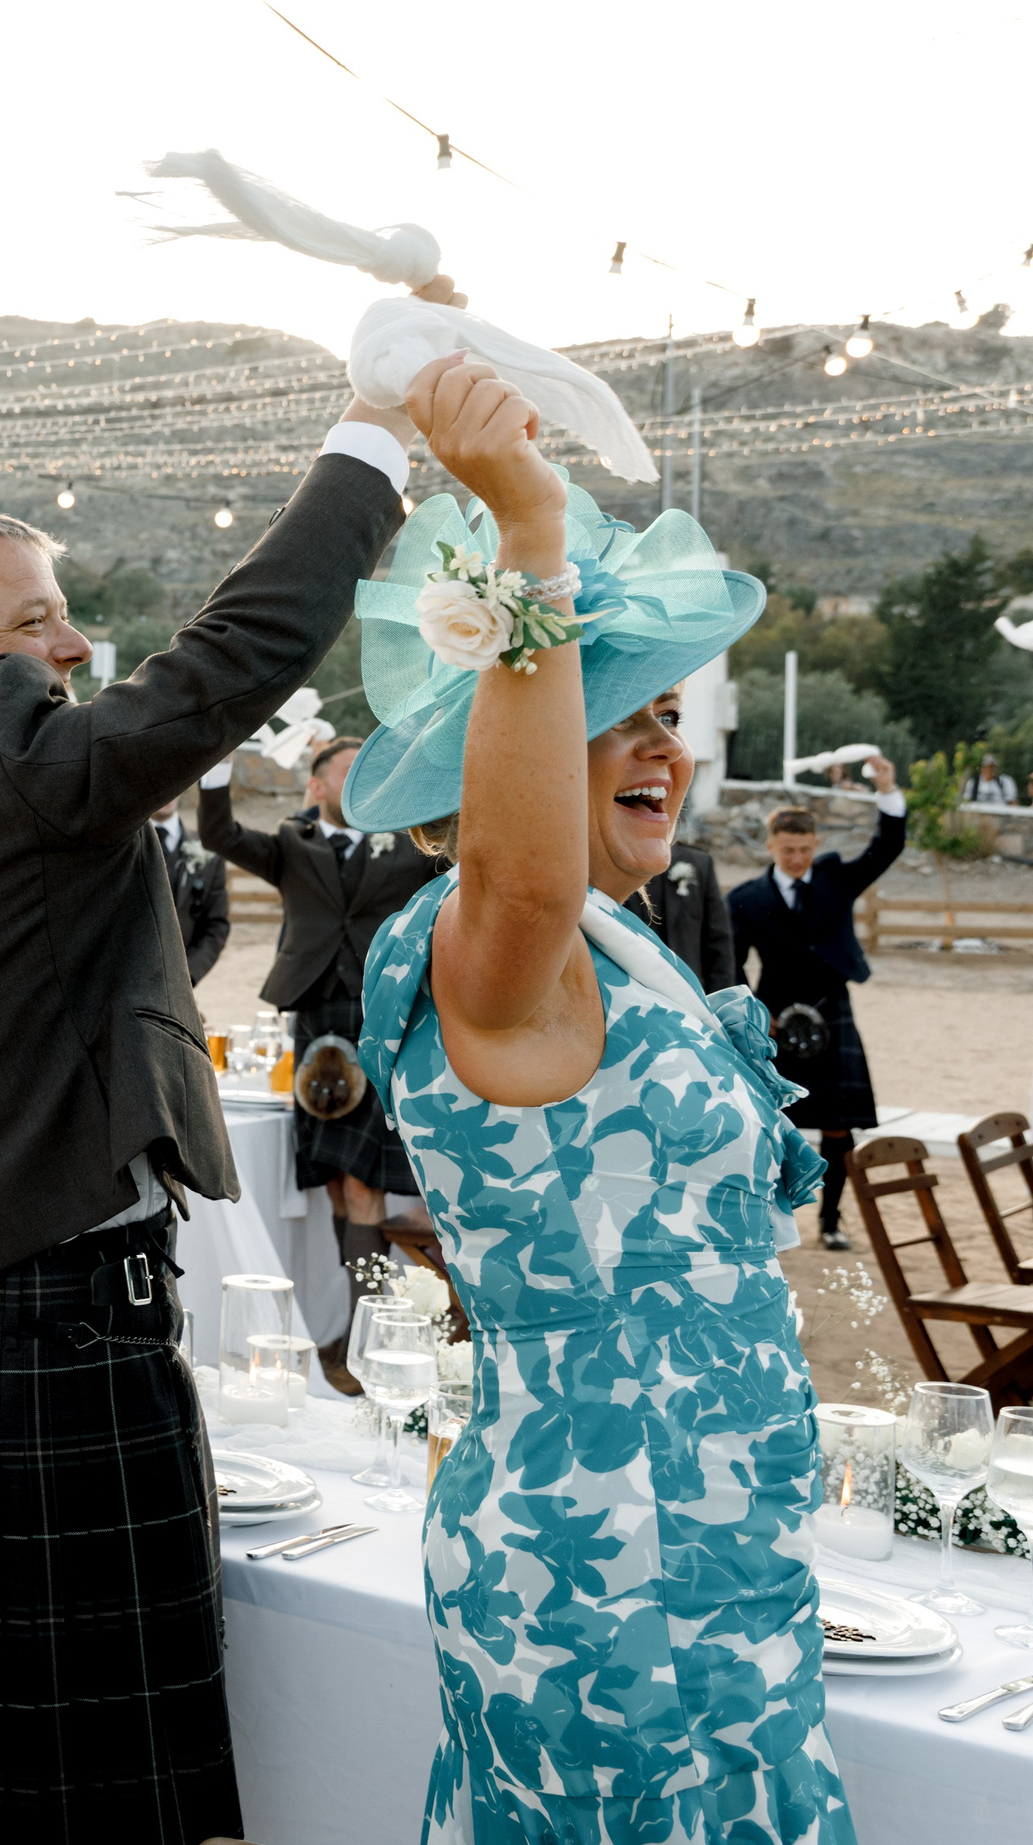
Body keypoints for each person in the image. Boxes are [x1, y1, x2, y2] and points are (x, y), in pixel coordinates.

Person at [0, 338, 441, 1840]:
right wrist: (374, 439)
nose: (73, 649)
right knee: (88, 1799)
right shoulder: (1, 757)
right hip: (56, 1344)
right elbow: (227, 664)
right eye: (41, 622)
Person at [348, 359, 851, 1845]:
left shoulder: (629, 942)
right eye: (614, 708)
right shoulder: (490, 935)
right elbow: (521, 872)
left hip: (705, 1551)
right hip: (612, 1573)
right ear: (497, 748)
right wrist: (529, 532)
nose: (663, 744)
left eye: (669, 713)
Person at [198, 732, 436, 1369]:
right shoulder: (292, 844)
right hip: (312, 1024)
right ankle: (360, 1332)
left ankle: (365, 1347)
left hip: (380, 1020)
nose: (365, 779)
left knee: (362, 1183)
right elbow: (219, 834)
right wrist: (218, 763)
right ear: (317, 784)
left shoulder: (412, 845)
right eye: (351, 769)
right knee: (335, 1184)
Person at [727, 777, 905, 1251]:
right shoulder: (746, 897)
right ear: (770, 846)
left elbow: (886, 847)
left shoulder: (837, 880)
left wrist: (887, 792)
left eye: (805, 848)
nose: (797, 858)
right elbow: (731, 961)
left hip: (833, 1010)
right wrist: (756, 1013)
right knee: (767, 1122)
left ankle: (831, 1221)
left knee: (838, 1124)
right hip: (776, 1018)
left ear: (816, 844)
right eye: (788, 850)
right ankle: (765, 1220)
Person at [623, 836, 736, 989]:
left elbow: (718, 941)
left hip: (690, 991)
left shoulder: (699, 862)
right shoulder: (618, 863)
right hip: (634, 990)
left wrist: (719, 1002)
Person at [153, 795, 230, 984]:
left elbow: (216, 925)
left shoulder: (208, 852)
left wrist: (187, 976)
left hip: (182, 983)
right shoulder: (121, 848)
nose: (168, 790)